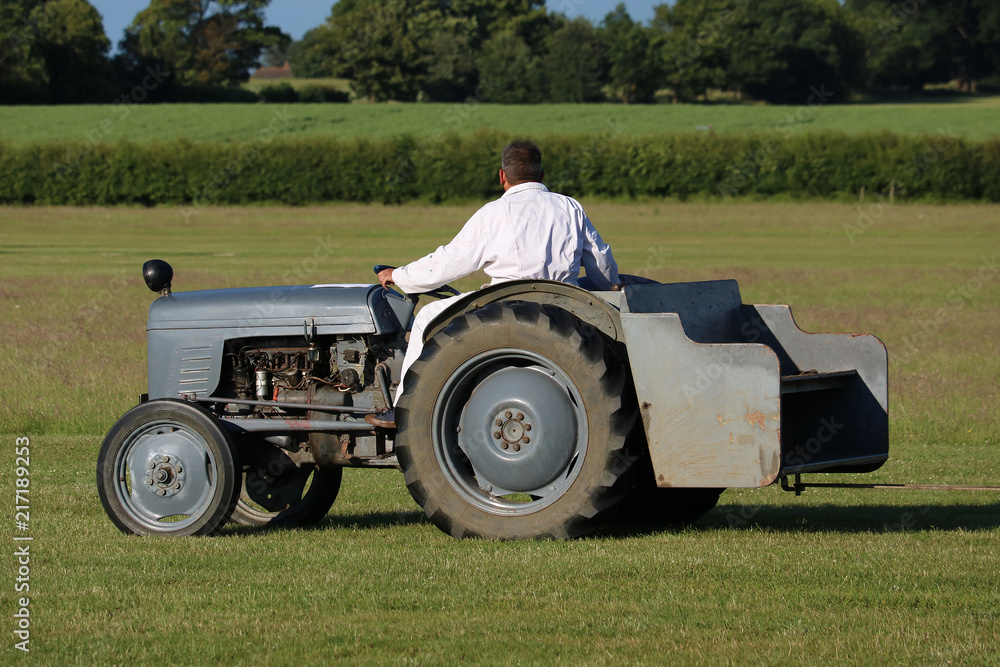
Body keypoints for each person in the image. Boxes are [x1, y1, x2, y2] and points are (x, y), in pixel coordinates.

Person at [367, 140, 620, 429]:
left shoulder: (493, 213)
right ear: (542, 174)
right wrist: (609, 285)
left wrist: (399, 275)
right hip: (565, 304)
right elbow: (602, 263)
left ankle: (403, 411)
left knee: (425, 316)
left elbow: (447, 263)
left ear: (502, 176)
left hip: (506, 302)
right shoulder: (570, 207)